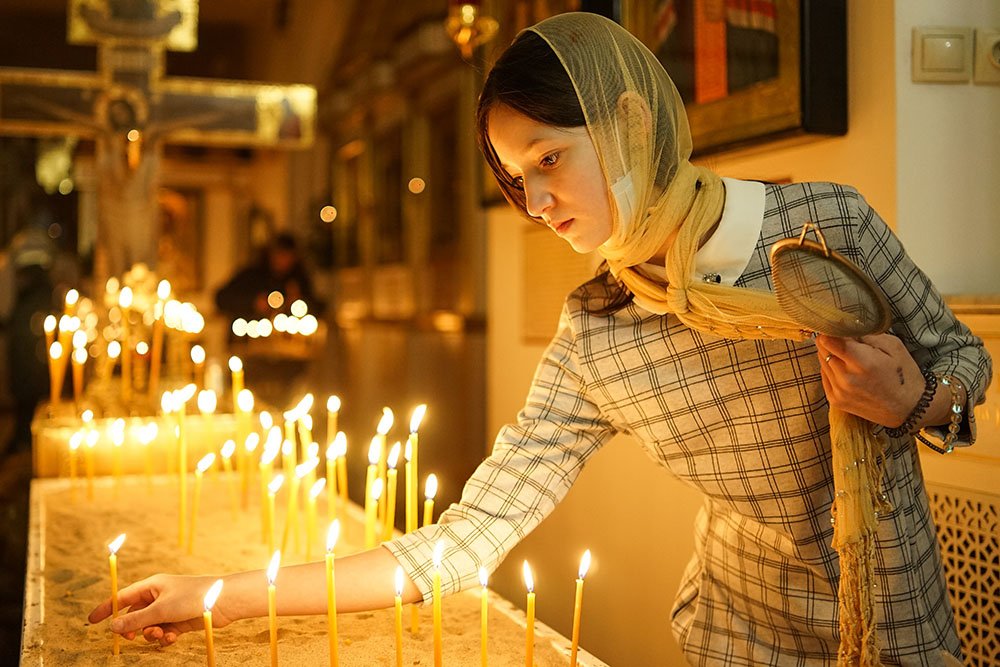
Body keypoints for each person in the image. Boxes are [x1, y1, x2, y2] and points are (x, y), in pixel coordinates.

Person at [88, 13, 990, 665]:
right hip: (738, 635)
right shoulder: (599, 334)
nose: (536, 203)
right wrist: (217, 596)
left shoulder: (824, 227)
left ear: (631, 122)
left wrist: (916, 399)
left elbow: (964, 360)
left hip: (898, 616)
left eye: (549, 159)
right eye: (517, 180)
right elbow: (463, 540)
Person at [214, 231, 323, 321]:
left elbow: (318, 307)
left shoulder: (298, 280)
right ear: (271, 253)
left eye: (287, 256)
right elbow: (221, 298)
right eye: (280, 254)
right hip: (247, 340)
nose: (283, 261)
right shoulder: (252, 275)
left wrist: (299, 302)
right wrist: (254, 303)